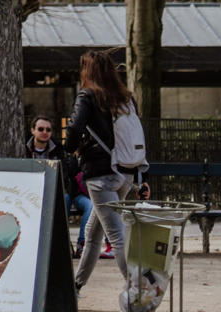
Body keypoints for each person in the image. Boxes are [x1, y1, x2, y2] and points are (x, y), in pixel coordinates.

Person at [65, 50, 143, 294]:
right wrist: (143, 174)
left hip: (100, 176)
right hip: (125, 173)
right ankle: (75, 287)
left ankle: (137, 294)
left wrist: (71, 148)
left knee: (116, 236)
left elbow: (75, 126)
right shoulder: (126, 98)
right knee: (92, 233)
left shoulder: (87, 96)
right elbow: (136, 136)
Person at [27, 114, 91, 255]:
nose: (45, 132)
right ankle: (59, 242)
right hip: (33, 193)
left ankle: (77, 243)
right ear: (33, 130)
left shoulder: (59, 150)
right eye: (41, 129)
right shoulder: (25, 150)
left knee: (78, 202)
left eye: (48, 130)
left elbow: (66, 175)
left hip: (60, 192)